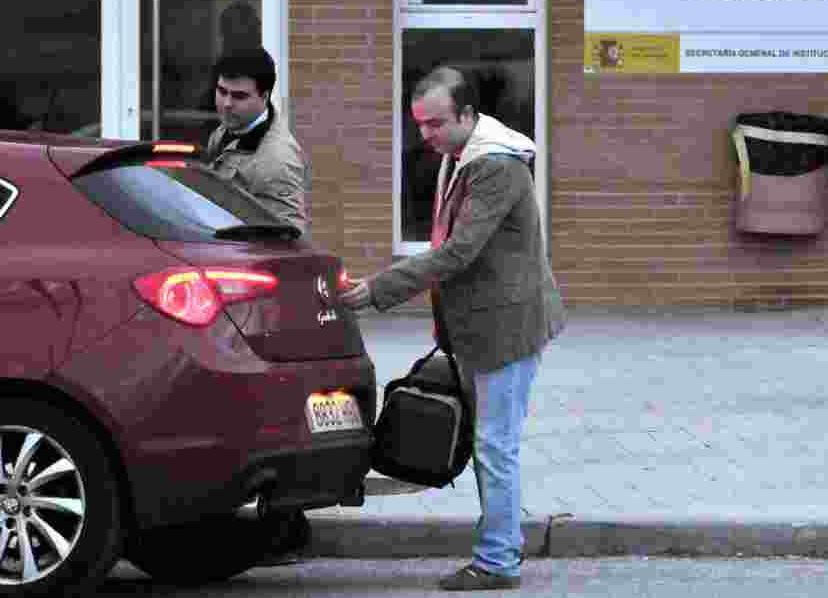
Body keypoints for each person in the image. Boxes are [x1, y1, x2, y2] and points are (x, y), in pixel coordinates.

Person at [338, 66, 566, 591]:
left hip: (508, 328)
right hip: (484, 326)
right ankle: (498, 551)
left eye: (436, 123)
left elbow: (459, 252)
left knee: (495, 445)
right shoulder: (460, 157)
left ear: (467, 114)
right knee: (491, 442)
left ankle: (498, 560)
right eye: (419, 124)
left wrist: (378, 290)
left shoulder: (495, 168)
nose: (426, 135)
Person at [204, 47, 310, 237]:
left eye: (239, 96)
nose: (227, 104)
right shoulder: (227, 130)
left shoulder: (276, 160)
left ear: (265, 96)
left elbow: (289, 239)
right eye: (222, 91)